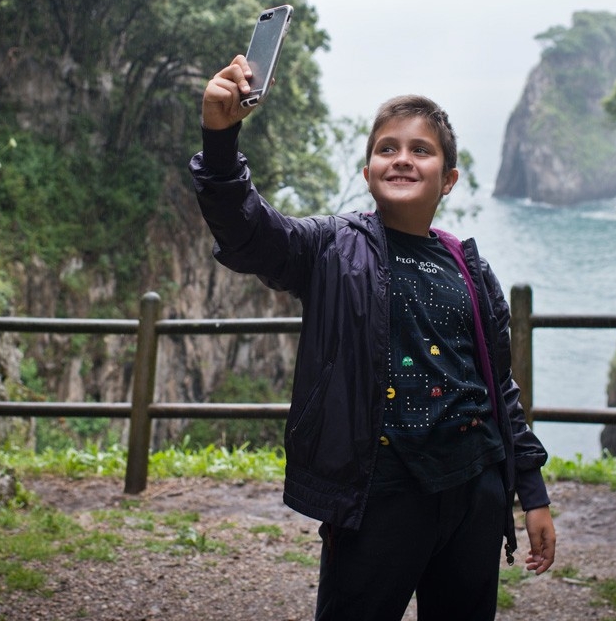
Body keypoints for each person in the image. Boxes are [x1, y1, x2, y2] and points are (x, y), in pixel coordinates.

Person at [190, 54, 556, 621]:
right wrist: (220, 139)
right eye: (387, 148)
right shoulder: (334, 248)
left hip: (474, 491)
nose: (402, 159)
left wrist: (529, 490)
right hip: (377, 494)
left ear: (449, 179)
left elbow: (498, 386)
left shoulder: (470, 268)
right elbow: (250, 235)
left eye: (421, 150)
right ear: (367, 173)